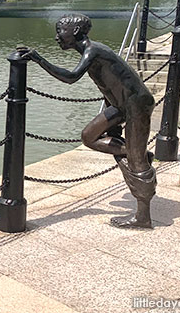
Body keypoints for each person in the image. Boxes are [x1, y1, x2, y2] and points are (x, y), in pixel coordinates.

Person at [22, 14, 156, 229]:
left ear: (74, 32)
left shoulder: (93, 50)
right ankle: (133, 153)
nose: (56, 37)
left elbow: (71, 77)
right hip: (120, 106)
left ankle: (143, 216)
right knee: (88, 136)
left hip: (137, 106)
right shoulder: (90, 51)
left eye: (60, 31)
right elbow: (111, 84)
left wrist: (39, 59)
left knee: (136, 162)